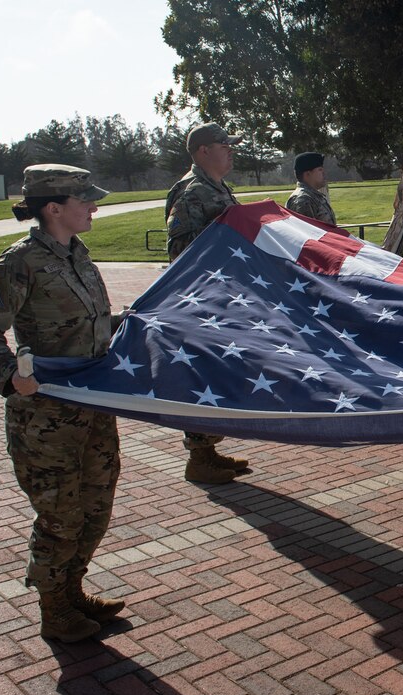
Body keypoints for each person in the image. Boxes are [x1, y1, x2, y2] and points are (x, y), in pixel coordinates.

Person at [0, 164, 125, 643]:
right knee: (61, 515)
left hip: (93, 408)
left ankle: (72, 590)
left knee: (97, 506)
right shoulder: (18, 264)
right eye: (85, 200)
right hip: (46, 419)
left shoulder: (78, 255)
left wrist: (128, 325)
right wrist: (11, 377)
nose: (94, 206)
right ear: (54, 208)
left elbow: (88, 327)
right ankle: (54, 609)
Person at [164, 122, 248, 485]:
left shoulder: (218, 188)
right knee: (201, 374)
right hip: (200, 303)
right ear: (202, 151)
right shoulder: (190, 192)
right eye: (223, 144)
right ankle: (199, 455)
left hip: (223, 298)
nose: (230, 150)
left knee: (216, 372)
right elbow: (179, 251)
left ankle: (209, 449)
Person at [286, 151, 337, 225]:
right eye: (320, 170)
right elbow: (308, 233)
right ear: (308, 174)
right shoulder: (303, 200)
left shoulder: (312, 196)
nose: (324, 173)